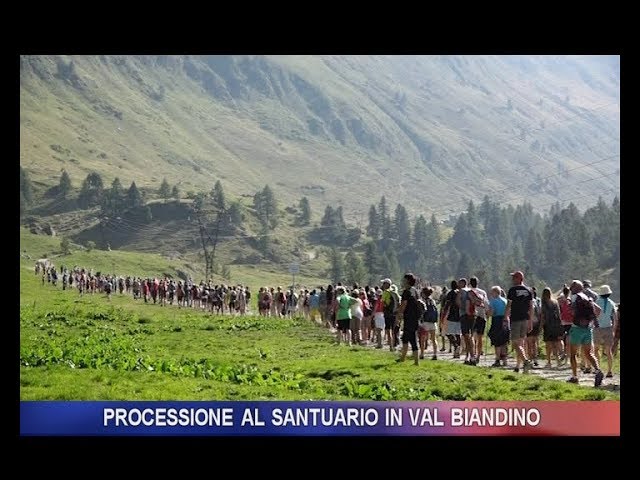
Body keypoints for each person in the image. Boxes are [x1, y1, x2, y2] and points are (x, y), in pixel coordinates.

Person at [566, 280, 604, 387]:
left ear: (573, 288)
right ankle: (598, 370)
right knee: (589, 353)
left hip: (577, 328)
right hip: (588, 329)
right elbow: (599, 310)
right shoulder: (587, 298)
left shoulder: (574, 297)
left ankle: (575, 377)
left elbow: (571, 311)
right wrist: (590, 321)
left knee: (573, 354)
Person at [504, 271, 534, 374]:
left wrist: (505, 317)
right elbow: (531, 307)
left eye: (514, 278)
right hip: (525, 319)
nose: (512, 280)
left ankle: (525, 361)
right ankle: (518, 365)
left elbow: (509, 305)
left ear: (518, 279)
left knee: (516, 343)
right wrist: (530, 321)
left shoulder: (512, 290)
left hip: (516, 319)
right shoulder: (529, 290)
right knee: (521, 343)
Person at [395, 273, 420, 365]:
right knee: (405, 338)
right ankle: (402, 358)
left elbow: (403, 305)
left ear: (408, 281)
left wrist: (398, 314)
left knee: (412, 339)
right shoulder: (415, 291)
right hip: (415, 318)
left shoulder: (406, 292)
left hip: (409, 318)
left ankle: (416, 362)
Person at [593, 285, 617, 378]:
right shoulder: (612, 303)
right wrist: (614, 329)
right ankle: (610, 371)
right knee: (608, 351)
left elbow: (594, 314)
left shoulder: (597, 302)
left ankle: (598, 369)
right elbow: (615, 318)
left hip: (597, 327)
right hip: (608, 327)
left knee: (596, 349)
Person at [540, 287, 563, 368]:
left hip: (547, 325)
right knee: (555, 343)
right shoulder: (555, 302)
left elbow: (543, 316)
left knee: (548, 345)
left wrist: (541, 326)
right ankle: (558, 360)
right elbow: (559, 314)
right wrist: (560, 325)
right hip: (555, 325)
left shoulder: (543, 303)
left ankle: (549, 361)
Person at [487, 286, 509, 367]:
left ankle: (497, 359)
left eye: (492, 292)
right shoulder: (505, 300)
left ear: (496, 292)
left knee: (497, 341)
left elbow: (492, 312)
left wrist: (488, 314)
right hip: (505, 321)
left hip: (497, 320)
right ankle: (505, 360)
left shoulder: (493, 301)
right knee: (504, 341)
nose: (491, 294)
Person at [418, 287, 439, 360]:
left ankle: (422, 354)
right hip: (433, 322)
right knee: (433, 339)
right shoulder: (432, 301)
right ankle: (435, 354)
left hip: (425, 322)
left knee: (423, 339)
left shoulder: (422, 301)